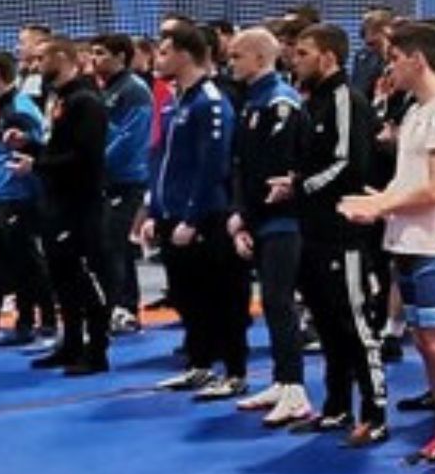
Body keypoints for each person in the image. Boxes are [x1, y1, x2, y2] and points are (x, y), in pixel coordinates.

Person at [339, 20, 435, 474]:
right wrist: (378, 200)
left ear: (418, 60)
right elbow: (412, 181)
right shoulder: (416, 112)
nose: (388, 68)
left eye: (394, 59)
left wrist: (381, 204)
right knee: (426, 343)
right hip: (406, 239)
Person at [284, 24, 386, 442]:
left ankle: (375, 413)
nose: (295, 61)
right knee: (326, 322)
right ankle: (337, 405)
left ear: (327, 57)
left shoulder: (346, 99)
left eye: (303, 53)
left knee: (354, 323)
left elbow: (347, 163)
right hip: (312, 229)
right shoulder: (312, 101)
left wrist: (300, 187)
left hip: (343, 232)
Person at [143, 26, 249, 397]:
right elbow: (162, 161)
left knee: (220, 295)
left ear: (185, 55)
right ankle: (199, 364)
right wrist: (154, 211)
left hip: (204, 217)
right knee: (186, 295)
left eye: (164, 52)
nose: (158, 59)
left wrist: (191, 217)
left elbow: (213, 165)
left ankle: (235, 372)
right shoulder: (175, 101)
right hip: (171, 215)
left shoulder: (210, 101)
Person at [225, 30, 314, 423]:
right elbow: (242, 165)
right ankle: (282, 379)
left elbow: (276, 167)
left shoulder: (280, 102)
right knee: (273, 303)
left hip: (285, 219)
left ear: (261, 58)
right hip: (261, 218)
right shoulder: (252, 101)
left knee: (281, 301)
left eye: (237, 56)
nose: (231, 63)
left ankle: (295, 388)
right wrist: (241, 214)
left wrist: (247, 214)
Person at [25, 39, 112, 376]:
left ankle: (97, 349)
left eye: (42, 58)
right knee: (61, 277)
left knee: (85, 277)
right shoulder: (57, 98)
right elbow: (57, 148)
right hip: (57, 201)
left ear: (62, 58)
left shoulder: (85, 101)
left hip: (81, 204)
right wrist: (30, 147)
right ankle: (71, 342)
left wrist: (37, 165)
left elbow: (85, 157)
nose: (35, 64)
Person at [0, 52, 53, 350]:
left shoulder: (19, 107)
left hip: (17, 192)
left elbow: (37, 147)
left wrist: (27, 183)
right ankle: (27, 321)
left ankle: (42, 322)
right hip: (1, 190)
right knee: (16, 260)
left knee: (28, 260)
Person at [92, 34, 154, 335]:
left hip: (127, 178)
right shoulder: (107, 90)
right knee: (109, 244)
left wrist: (98, 161)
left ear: (120, 56)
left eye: (101, 53)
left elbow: (131, 138)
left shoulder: (134, 90)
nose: (94, 59)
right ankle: (116, 305)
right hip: (109, 178)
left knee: (115, 243)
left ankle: (125, 308)